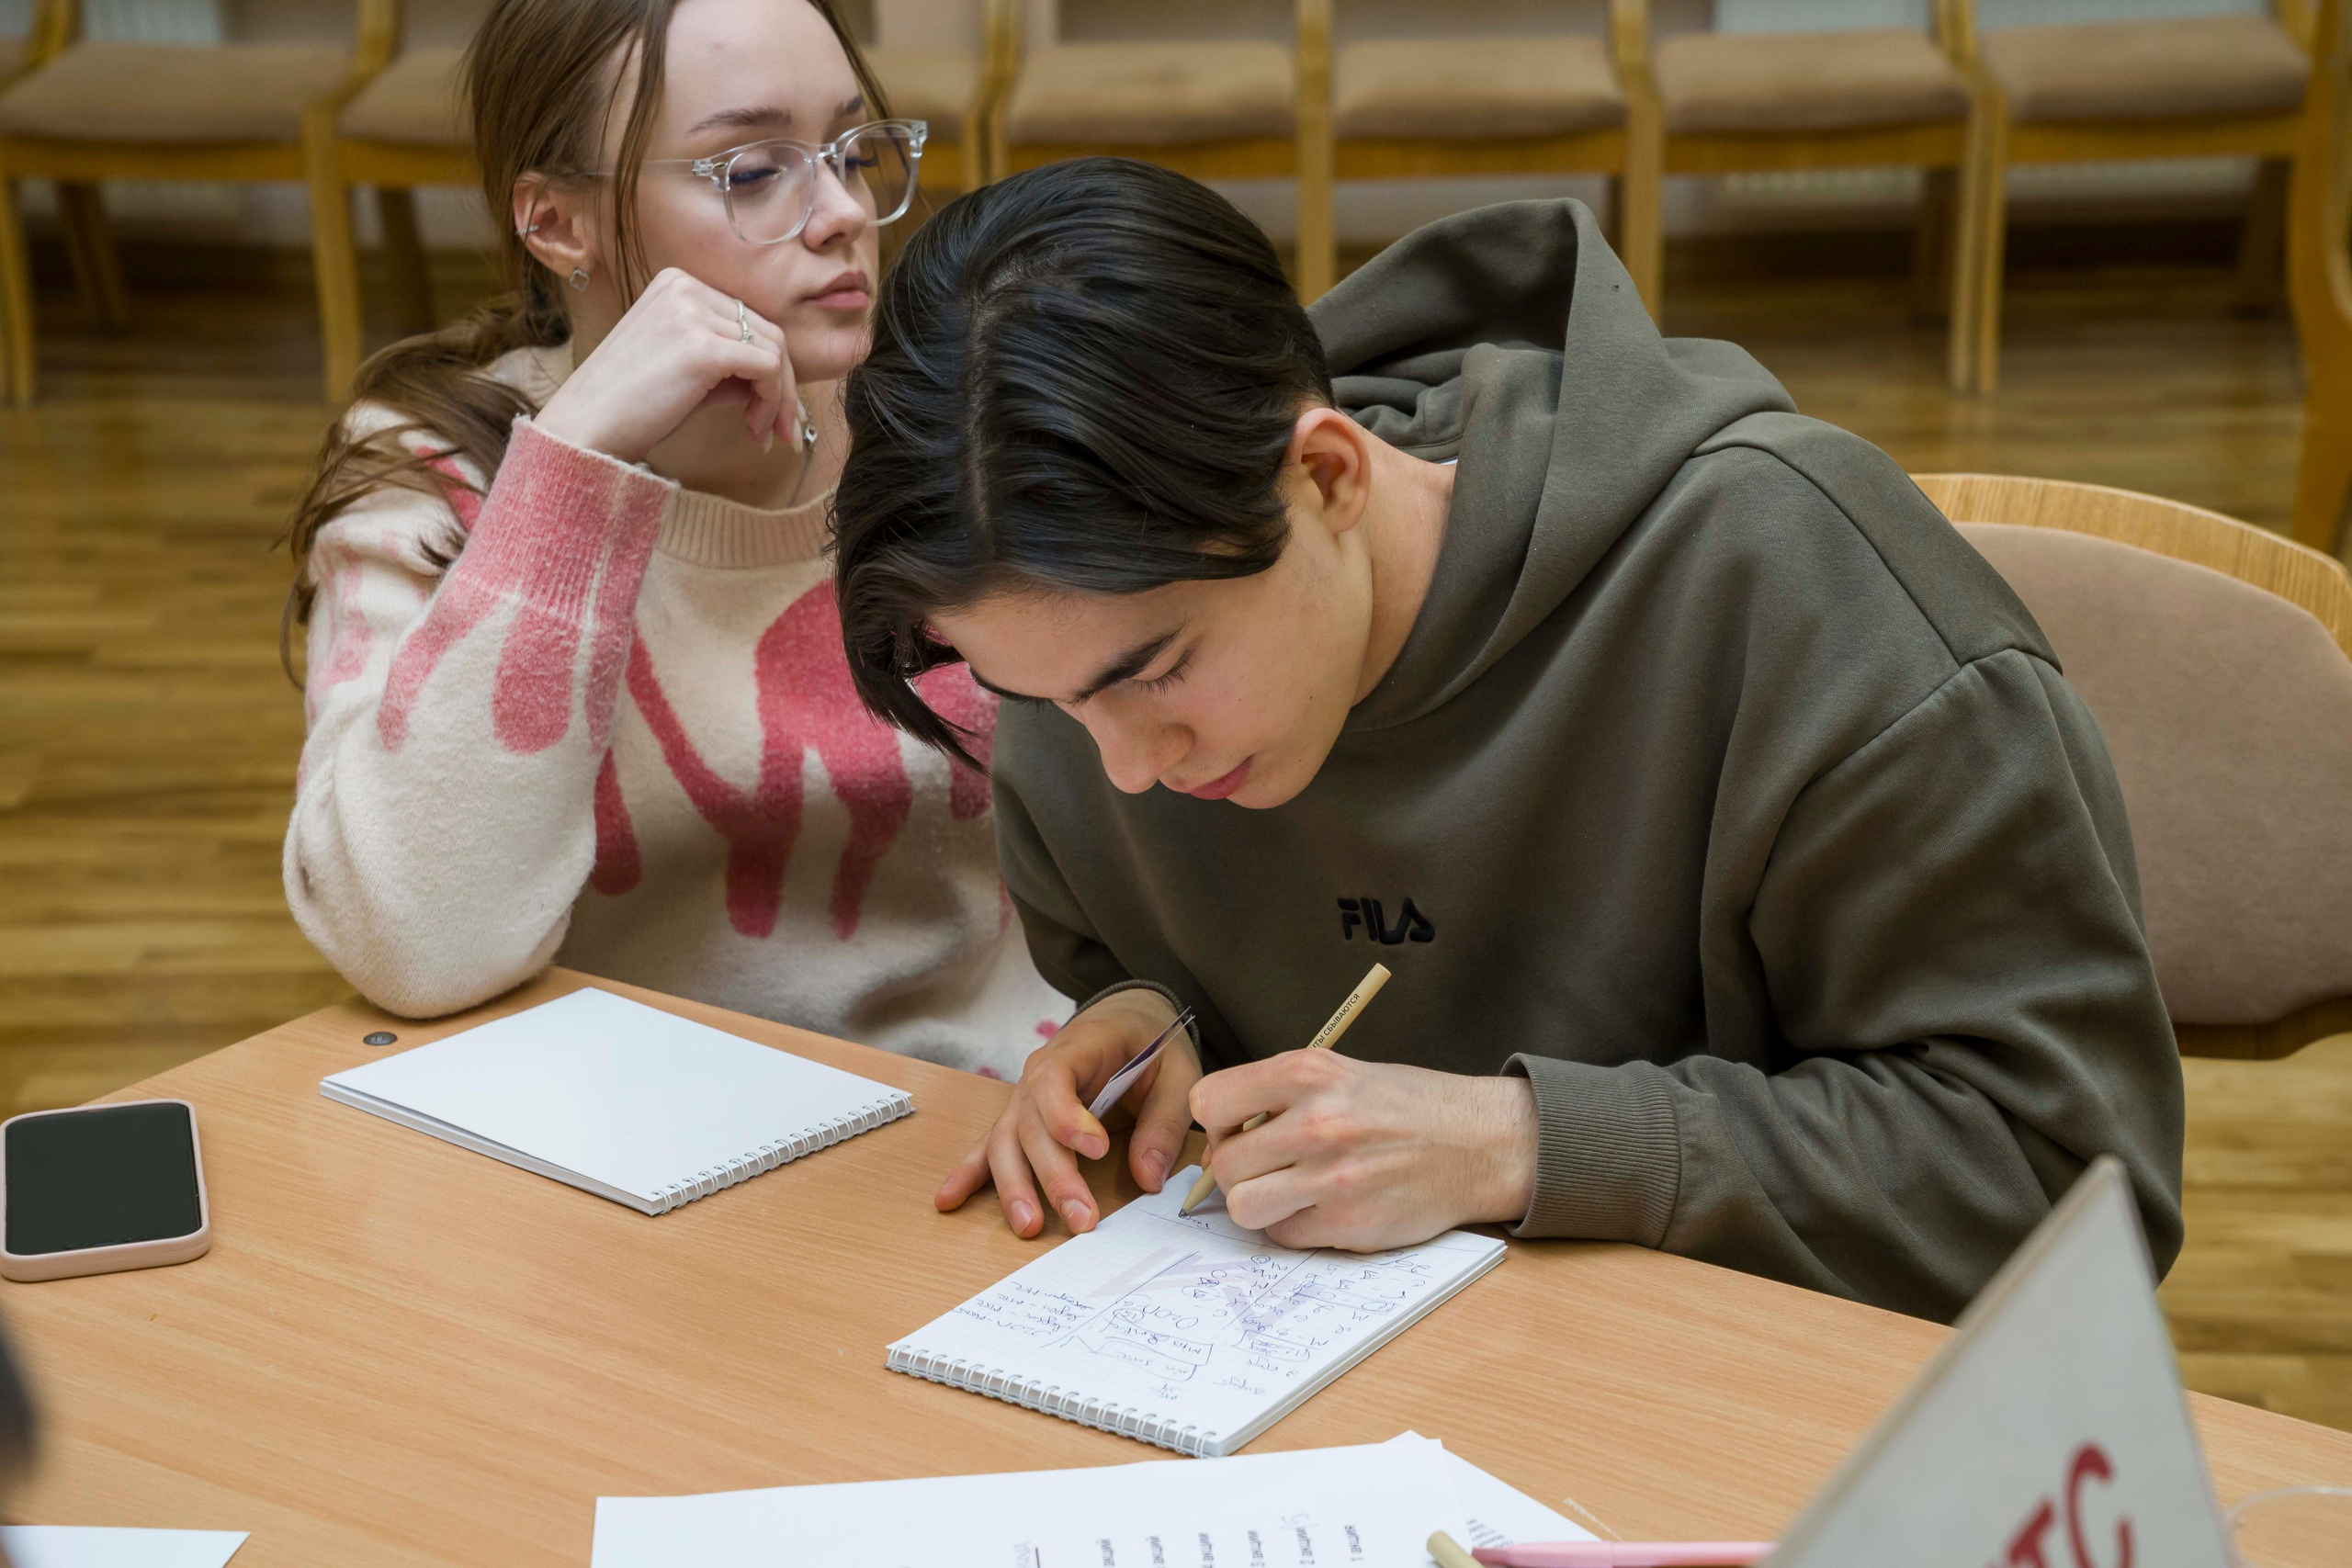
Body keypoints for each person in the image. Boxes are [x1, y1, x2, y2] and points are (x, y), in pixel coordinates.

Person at [830, 158, 2185, 1320]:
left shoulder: (1788, 586)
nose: (1123, 763)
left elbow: (2071, 1175)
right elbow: (1155, 947)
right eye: (1048, 703)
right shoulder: (1087, 642)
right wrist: (1142, 1020)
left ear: (1327, 474)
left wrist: (1525, 1142)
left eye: (1158, 669)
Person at [282, 0, 1067, 1075]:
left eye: (851, 147)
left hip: (974, 1118)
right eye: (752, 172)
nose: (840, 211)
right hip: (610, 1127)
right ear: (557, 224)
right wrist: (569, 471)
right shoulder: (434, 471)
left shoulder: (958, 418)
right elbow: (415, 947)